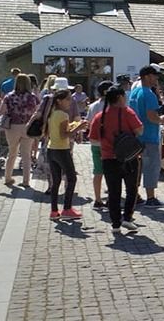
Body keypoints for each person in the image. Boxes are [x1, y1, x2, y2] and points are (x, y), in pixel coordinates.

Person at [88, 86, 143, 233]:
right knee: (132, 189)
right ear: (120, 98)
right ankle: (127, 218)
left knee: (113, 192)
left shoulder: (100, 116)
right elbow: (139, 130)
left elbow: (93, 139)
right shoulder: (128, 112)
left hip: (108, 159)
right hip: (129, 158)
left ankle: (115, 224)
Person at [46, 90, 87, 220]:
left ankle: (54, 211)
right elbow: (64, 135)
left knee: (56, 181)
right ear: (59, 101)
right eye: (68, 99)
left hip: (51, 148)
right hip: (61, 150)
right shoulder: (63, 114)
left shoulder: (52, 113)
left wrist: (72, 125)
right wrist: (78, 128)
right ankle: (67, 209)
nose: (70, 102)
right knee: (71, 178)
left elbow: (57, 131)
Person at [128, 65, 164, 207]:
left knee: (136, 168)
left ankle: (135, 196)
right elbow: (151, 116)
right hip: (149, 136)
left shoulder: (134, 92)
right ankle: (151, 198)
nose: (156, 78)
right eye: (154, 75)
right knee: (151, 167)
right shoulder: (149, 94)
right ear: (147, 76)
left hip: (136, 135)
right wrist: (161, 119)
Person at [2, 74, 41, 187]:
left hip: (12, 127)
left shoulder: (9, 96)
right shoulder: (32, 97)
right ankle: (26, 181)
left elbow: (2, 110)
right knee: (26, 155)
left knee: (12, 153)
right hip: (28, 127)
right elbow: (38, 111)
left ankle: (8, 177)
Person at [86, 81, 114, 209]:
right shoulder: (111, 106)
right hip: (109, 143)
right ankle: (111, 197)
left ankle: (97, 199)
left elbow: (89, 123)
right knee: (111, 171)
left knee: (97, 171)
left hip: (95, 142)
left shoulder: (93, 106)